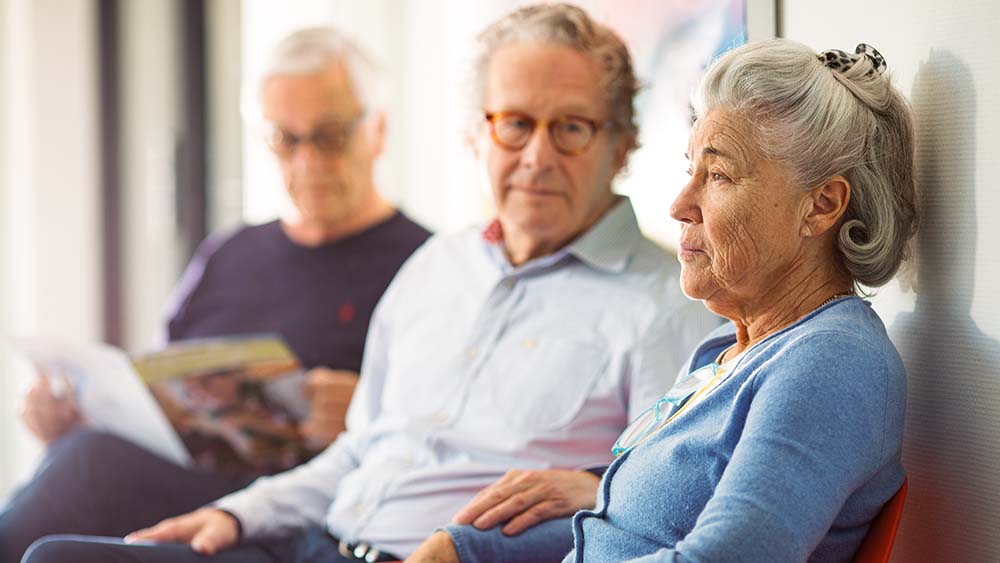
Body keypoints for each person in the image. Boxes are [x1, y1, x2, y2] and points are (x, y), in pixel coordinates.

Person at [18, 4, 719, 563]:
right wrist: (237, 513)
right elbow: (360, 449)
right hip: (305, 538)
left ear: (621, 144)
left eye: (571, 127)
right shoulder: (437, 268)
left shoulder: (668, 304)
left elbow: (668, 502)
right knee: (56, 555)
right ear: (478, 134)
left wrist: (596, 487)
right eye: (515, 123)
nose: (537, 155)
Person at [0, 26, 430, 563]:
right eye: (284, 139)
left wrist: (366, 409)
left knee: (86, 472)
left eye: (329, 136)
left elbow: (449, 434)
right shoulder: (230, 253)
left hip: (304, 510)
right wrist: (74, 419)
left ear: (378, 132)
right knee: (79, 455)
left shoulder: (427, 265)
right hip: (185, 487)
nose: (307, 163)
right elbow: (153, 397)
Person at [552, 39, 917, 562]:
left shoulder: (834, 361)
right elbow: (619, 531)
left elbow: (731, 556)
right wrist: (466, 548)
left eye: (719, 175)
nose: (680, 206)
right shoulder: (725, 351)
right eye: (690, 172)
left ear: (821, 205)